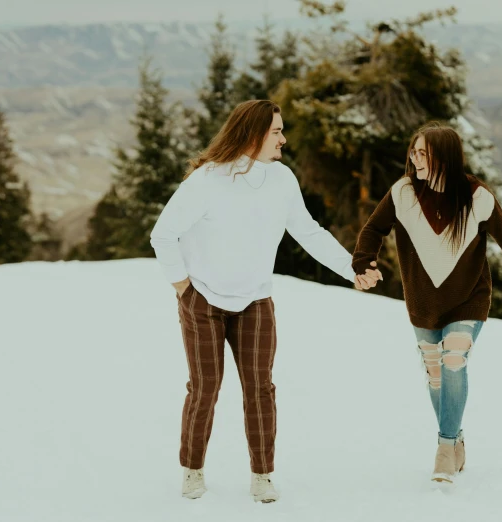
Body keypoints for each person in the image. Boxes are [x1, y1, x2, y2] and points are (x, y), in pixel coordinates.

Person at [150, 100, 381, 502]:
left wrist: (352, 268)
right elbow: (163, 234)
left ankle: (262, 474)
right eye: (276, 131)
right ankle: (192, 469)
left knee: (260, 389)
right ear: (253, 134)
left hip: (256, 300)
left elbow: (309, 232)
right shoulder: (207, 180)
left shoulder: (282, 180)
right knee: (205, 388)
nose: (283, 139)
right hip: (202, 299)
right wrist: (183, 287)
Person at [352, 122, 502, 484]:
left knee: (454, 359)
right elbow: (372, 230)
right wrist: (363, 261)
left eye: (422, 152)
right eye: (413, 151)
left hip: (468, 299)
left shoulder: (477, 196)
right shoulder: (404, 193)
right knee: (435, 371)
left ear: (444, 156)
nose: (414, 158)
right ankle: (456, 440)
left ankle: (444, 448)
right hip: (423, 301)